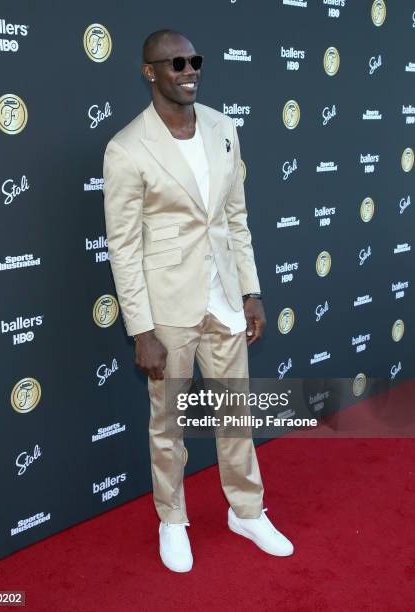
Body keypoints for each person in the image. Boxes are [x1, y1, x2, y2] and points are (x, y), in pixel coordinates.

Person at [103, 29, 294, 572]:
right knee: (168, 424)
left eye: (195, 61)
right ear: (150, 73)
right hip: (168, 310)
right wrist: (141, 329)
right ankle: (172, 519)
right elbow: (122, 247)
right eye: (176, 63)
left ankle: (247, 511)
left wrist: (252, 291)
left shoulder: (222, 126)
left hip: (226, 300)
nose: (189, 71)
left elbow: (236, 219)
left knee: (235, 413)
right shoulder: (126, 149)